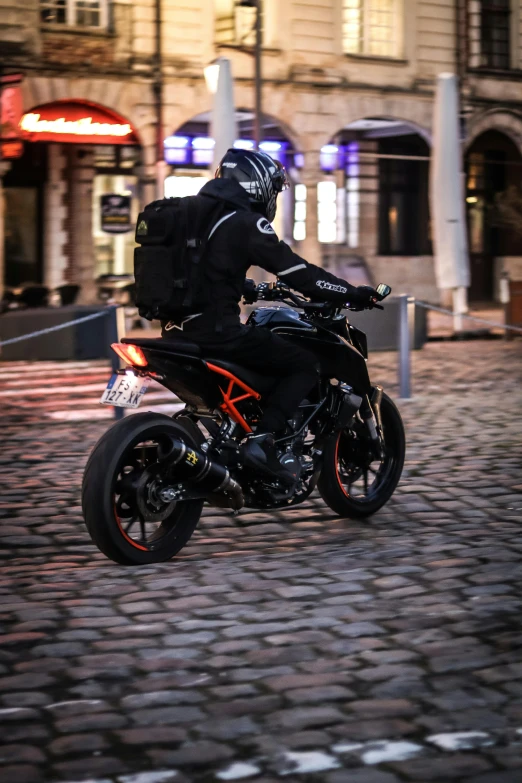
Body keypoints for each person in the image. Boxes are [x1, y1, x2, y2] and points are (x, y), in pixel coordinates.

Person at [162, 148, 380, 485]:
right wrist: (352, 293)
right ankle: (262, 442)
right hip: (219, 336)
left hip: (174, 333)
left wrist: (246, 286)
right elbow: (301, 275)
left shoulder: (187, 214)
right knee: (304, 364)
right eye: (274, 189)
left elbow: (201, 270)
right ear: (258, 186)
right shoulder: (245, 222)